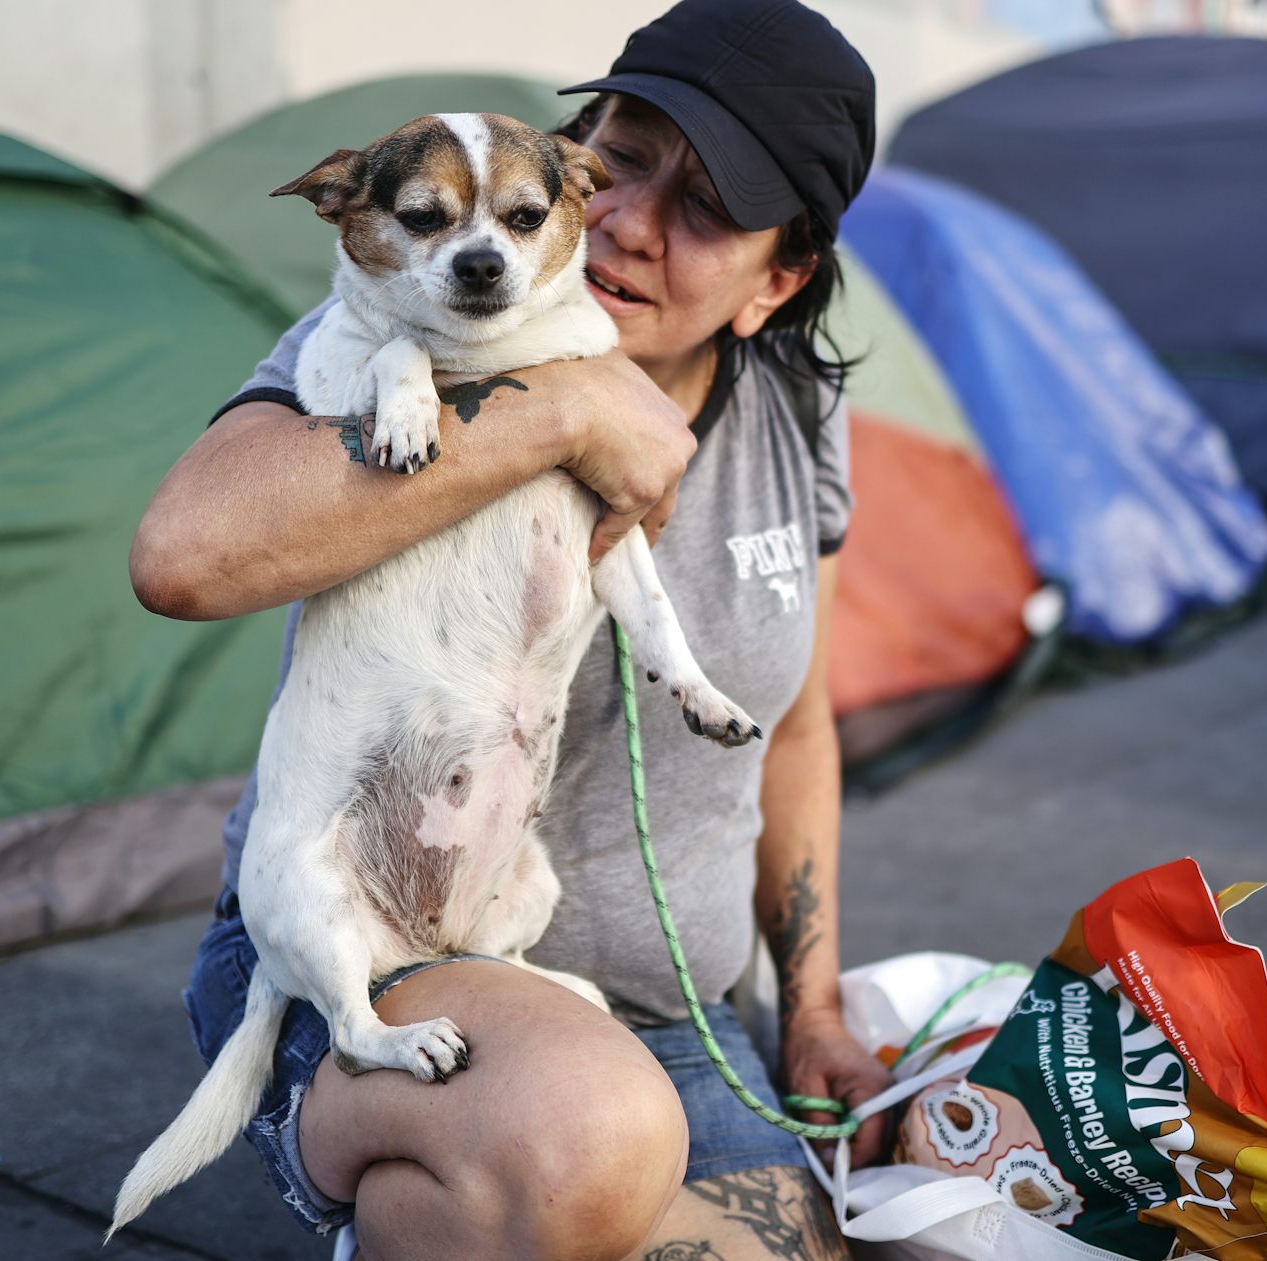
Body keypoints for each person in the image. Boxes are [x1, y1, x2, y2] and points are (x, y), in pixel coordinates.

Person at [129, 2, 890, 1256]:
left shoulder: (797, 410)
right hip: (379, 959)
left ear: (780, 281)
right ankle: (440, 1169)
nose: (632, 221)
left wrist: (809, 1008)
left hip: (672, 1024)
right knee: (581, 1144)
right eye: (625, 152)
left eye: (706, 208)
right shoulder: (400, 332)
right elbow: (181, 556)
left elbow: (797, 725)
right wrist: (566, 407)